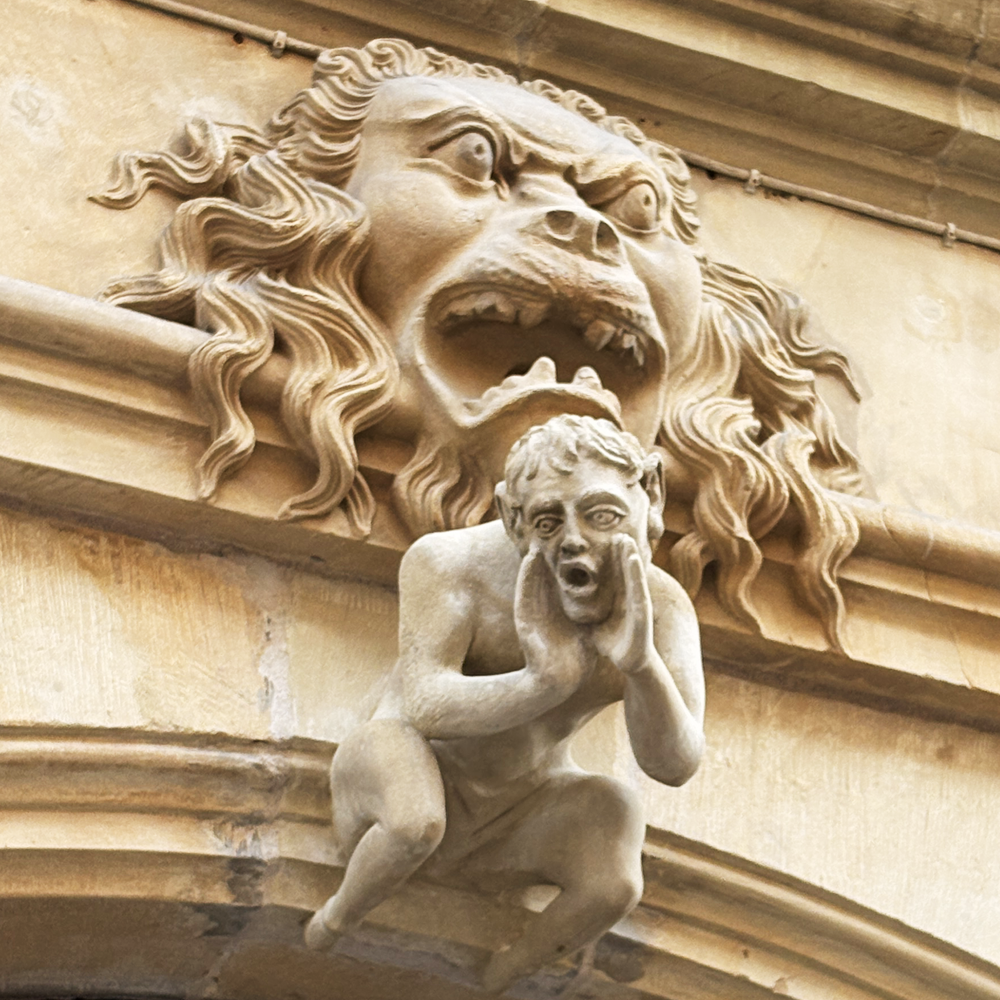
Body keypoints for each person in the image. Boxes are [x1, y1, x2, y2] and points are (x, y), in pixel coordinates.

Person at [305, 414, 705, 993]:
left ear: (652, 497)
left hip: (524, 802)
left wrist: (641, 667)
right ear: (509, 517)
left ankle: (504, 974)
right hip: (409, 765)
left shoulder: (662, 608)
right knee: (416, 819)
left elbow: (675, 763)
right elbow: (424, 704)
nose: (573, 540)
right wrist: (543, 682)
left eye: (601, 515)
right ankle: (337, 916)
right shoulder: (448, 563)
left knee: (615, 864)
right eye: (546, 520)